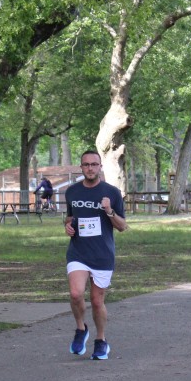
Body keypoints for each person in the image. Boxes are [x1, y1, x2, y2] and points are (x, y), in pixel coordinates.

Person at [64, 151, 127, 360]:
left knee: (97, 301)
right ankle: (81, 329)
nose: (90, 168)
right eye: (86, 165)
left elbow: (122, 226)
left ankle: (101, 340)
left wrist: (109, 210)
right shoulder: (72, 192)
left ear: (100, 167)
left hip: (102, 254)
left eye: (94, 164)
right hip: (78, 252)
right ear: (81, 167)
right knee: (76, 294)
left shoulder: (112, 193)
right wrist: (68, 226)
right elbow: (70, 217)